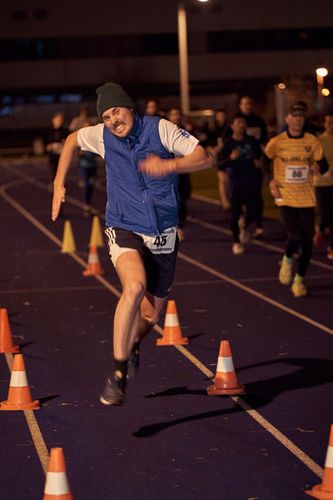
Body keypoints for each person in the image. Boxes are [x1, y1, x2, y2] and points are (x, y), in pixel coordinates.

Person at [52, 82, 212, 406]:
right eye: (106, 116)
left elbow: (203, 157)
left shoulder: (160, 129)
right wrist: (58, 183)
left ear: (130, 109)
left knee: (151, 317)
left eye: (116, 112)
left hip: (164, 230)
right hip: (123, 225)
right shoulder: (100, 136)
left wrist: (170, 165)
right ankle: (118, 372)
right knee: (135, 285)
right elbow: (71, 140)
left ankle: (133, 344)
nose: (112, 120)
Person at [265, 104, 328, 297]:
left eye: (301, 116)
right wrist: (271, 180)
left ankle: (299, 281)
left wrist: (319, 169)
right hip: (285, 196)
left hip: (307, 197)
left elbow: (323, 165)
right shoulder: (277, 142)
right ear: (288, 119)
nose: (298, 119)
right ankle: (288, 259)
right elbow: (264, 162)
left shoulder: (312, 141)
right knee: (295, 236)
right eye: (294, 116)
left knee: (307, 242)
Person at [217, 113, 263, 255]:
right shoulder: (228, 144)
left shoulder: (251, 141)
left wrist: (259, 162)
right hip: (236, 182)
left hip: (252, 180)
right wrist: (231, 158)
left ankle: (245, 225)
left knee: (255, 210)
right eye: (238, 123)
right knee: (235, 214)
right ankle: (236, 242)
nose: (241, 125)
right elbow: (220, 164)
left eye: (243, 123)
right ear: (232, 126)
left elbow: (259, 156)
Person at [238, 96, 268, 237]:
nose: (248, 106)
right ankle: (243, 220)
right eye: (245, 103)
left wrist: (261, 157)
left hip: (255, 164)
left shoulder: (259, 121)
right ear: (240, 105)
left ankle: (258, 225)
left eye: (250, 103)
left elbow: (264, 141)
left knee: (257, 195)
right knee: (243, 197)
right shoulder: (235, 121)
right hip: (240, 166)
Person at [166, 106, 192, 241]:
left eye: (178, 114)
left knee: (182, 199)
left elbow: (192, 147)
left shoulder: (185, 132)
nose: (176, 116)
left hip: (182, 170)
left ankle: (180, 226)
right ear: (169, 116)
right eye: (173, 114)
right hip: (168, 171)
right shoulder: (163, 131)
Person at [314, 112, 333, 259]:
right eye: (329, 123)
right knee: (326, 215)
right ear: (324, 124)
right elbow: (313, 161)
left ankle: (331, 248)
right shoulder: (318, 141)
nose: (331, 126)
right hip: (321, 183)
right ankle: (320, 229)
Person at [77, 119, 98, 217]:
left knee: (90, 186)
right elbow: (76, 153)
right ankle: (86, 206)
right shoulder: (80, 140)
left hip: (93, 166)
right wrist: (80, 154)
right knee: (86, 185)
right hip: (83, 166)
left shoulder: (95, 139)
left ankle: (88, 205)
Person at [45, 112, 68, 180]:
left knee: (62, 173)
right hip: (52, 155)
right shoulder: (48, 130)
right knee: (54, 172)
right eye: (58, 119)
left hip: (62, 155)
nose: (60, 121)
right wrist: (48, 146)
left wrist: (64, 144)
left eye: (61, 120)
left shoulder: (65, 131)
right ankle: (54, 187)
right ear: (53, 120)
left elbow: (68, 141)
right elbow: (44, 142)